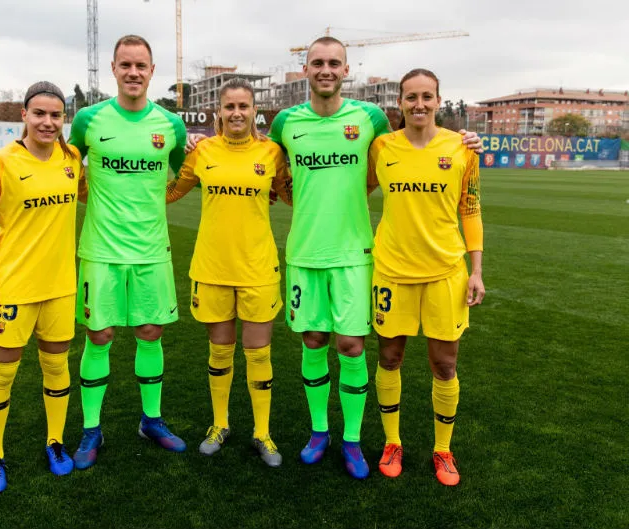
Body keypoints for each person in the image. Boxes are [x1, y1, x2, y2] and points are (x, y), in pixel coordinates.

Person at [268, 37, 482, 480]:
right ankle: (320, 433)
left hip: (356, 253)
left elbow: (393, 170)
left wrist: (468, 140)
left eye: (335, 63)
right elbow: (267, 164)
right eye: (317, 62)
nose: (326, 69)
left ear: (347, 70)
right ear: (305, 69)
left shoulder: (370, 120)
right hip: (305, 251)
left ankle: (352, 441)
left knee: (351, 347)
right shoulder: (286, 121)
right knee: (313, 342)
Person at [68, 35, 188, 470]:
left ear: (152, 71)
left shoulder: (170, 125)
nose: (133, 72)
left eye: (141, 65)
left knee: (150, 332)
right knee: (99, 335)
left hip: (152, 250)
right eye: (126, 65)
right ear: (114, 69)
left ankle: (151, 420)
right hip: (101, 249)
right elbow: (67, 168)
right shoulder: (88, 119)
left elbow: (185, 176)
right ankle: (92, 429)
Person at [166, 78, 292, 467]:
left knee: (258, 352)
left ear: (255, 111)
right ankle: (219, 424)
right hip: (213, 267)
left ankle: (262, 432)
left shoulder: (272, 153)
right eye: (229, 106)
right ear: (218, 111)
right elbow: (172, 191)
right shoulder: (203, 150)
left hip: (258, 268)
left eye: (243, 106)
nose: (236, 113)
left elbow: (292, 195)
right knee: (219, 351)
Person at [367, 68, 485, 487]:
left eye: (427, 96)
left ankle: (442, 449)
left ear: (438, 100)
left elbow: (470, 209)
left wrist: (476, 270)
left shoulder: (462, 148)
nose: (419, 104)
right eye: (411, 97)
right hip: (391, 270)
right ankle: (392, 442)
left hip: (445, 273)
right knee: (389, 358)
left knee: (444, 364)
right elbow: (354, 189)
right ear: (400, 102)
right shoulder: (381, 147)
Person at [0, 81, 86, 493]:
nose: (47, 122)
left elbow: (92, 192)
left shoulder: (72, 159)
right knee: (2, 373)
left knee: (57, 367)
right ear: (24, 116)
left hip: (60, 285)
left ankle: (55, 442)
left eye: (56, 115)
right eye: (39, 114)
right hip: (12, 287)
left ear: (64, 118)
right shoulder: (0, 161)